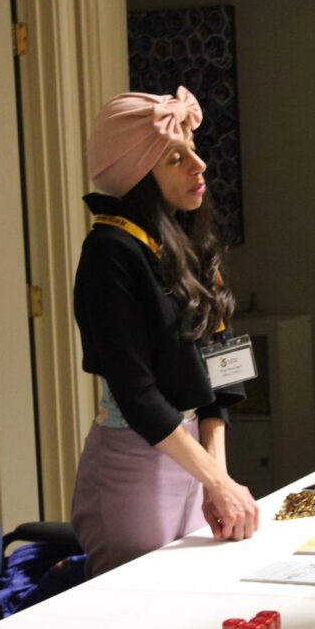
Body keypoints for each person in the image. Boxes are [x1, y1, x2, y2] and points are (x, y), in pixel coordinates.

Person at [71, 86, 260, 578]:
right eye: (176, 158)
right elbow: (137, 393)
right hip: (136, 466)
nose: (199, 166)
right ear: (138, 177)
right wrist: (214, 480)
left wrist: (216, 475)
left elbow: (221, 370)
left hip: (193, 456)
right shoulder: (109, 254)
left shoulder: (188, 245)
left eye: (193, 151)